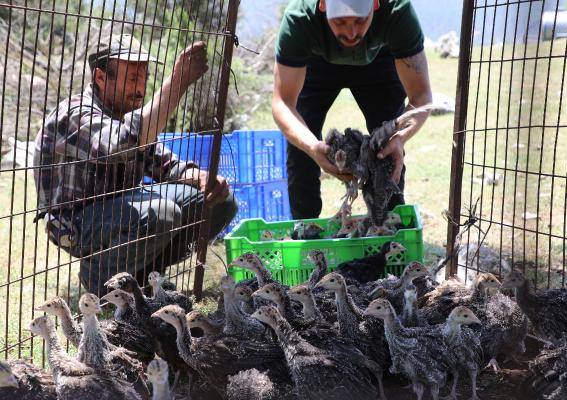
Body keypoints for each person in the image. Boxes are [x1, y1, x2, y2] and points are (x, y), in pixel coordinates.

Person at [33, 34, 237, 296]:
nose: (140, 88)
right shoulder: (75, 114)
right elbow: (122, 144)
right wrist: (177, 82)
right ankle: (103, 282)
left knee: (220, 200)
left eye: (144, 78)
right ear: (100, 78)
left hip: (123, 211)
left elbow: (166, 165)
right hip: (76, 223)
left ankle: (142, 277)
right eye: (132, 79)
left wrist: (199, 176)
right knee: (162, 212)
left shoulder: (124, 114)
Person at [272, 0, 433, 219]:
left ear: (375, 5)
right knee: (302, 145)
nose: (351, 33)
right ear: (322, 6)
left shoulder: (396, 12)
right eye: (340, 22)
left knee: (387, 148)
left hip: (379, 58)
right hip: (317, 60)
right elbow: (283, 102)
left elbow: (421, 96)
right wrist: (311, 147)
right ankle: (306, 230)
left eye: (360, 20)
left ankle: (389, 229)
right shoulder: (301, 18)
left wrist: (400, 138)